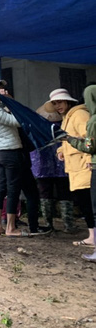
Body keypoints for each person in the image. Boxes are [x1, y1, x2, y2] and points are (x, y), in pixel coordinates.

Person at [0, 78, 45, 237]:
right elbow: (17, 121)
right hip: (10, 152)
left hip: (1, 153)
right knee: (12, 190)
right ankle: (10, 228)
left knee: (2, 189)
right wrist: (11, 101)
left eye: (1, 89)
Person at [52, 88, 96, 247]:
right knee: (85, 203)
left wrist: (88, 157)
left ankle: (93, 237)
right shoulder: (67, 118)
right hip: (76, 168)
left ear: (68, 101)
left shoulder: (80, 115)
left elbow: (89, 140)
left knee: (89, 204)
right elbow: (68, 139)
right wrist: (60, 150)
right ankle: (92, 236)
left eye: (60, 102)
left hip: (85, 166)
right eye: (55, 103)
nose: (57, 106)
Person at [31, 100, 73, 233]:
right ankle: (68, 224)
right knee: (65, 192)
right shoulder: (65, 124)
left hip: (42, 165)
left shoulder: (38, 127)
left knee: (45, 193)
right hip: (63, 163)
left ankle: (49, 224)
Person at [66, 85, 96, 261]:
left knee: (94, 207)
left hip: (92, 166)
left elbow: (89, 146)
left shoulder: (90, 120)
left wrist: (70, 140)